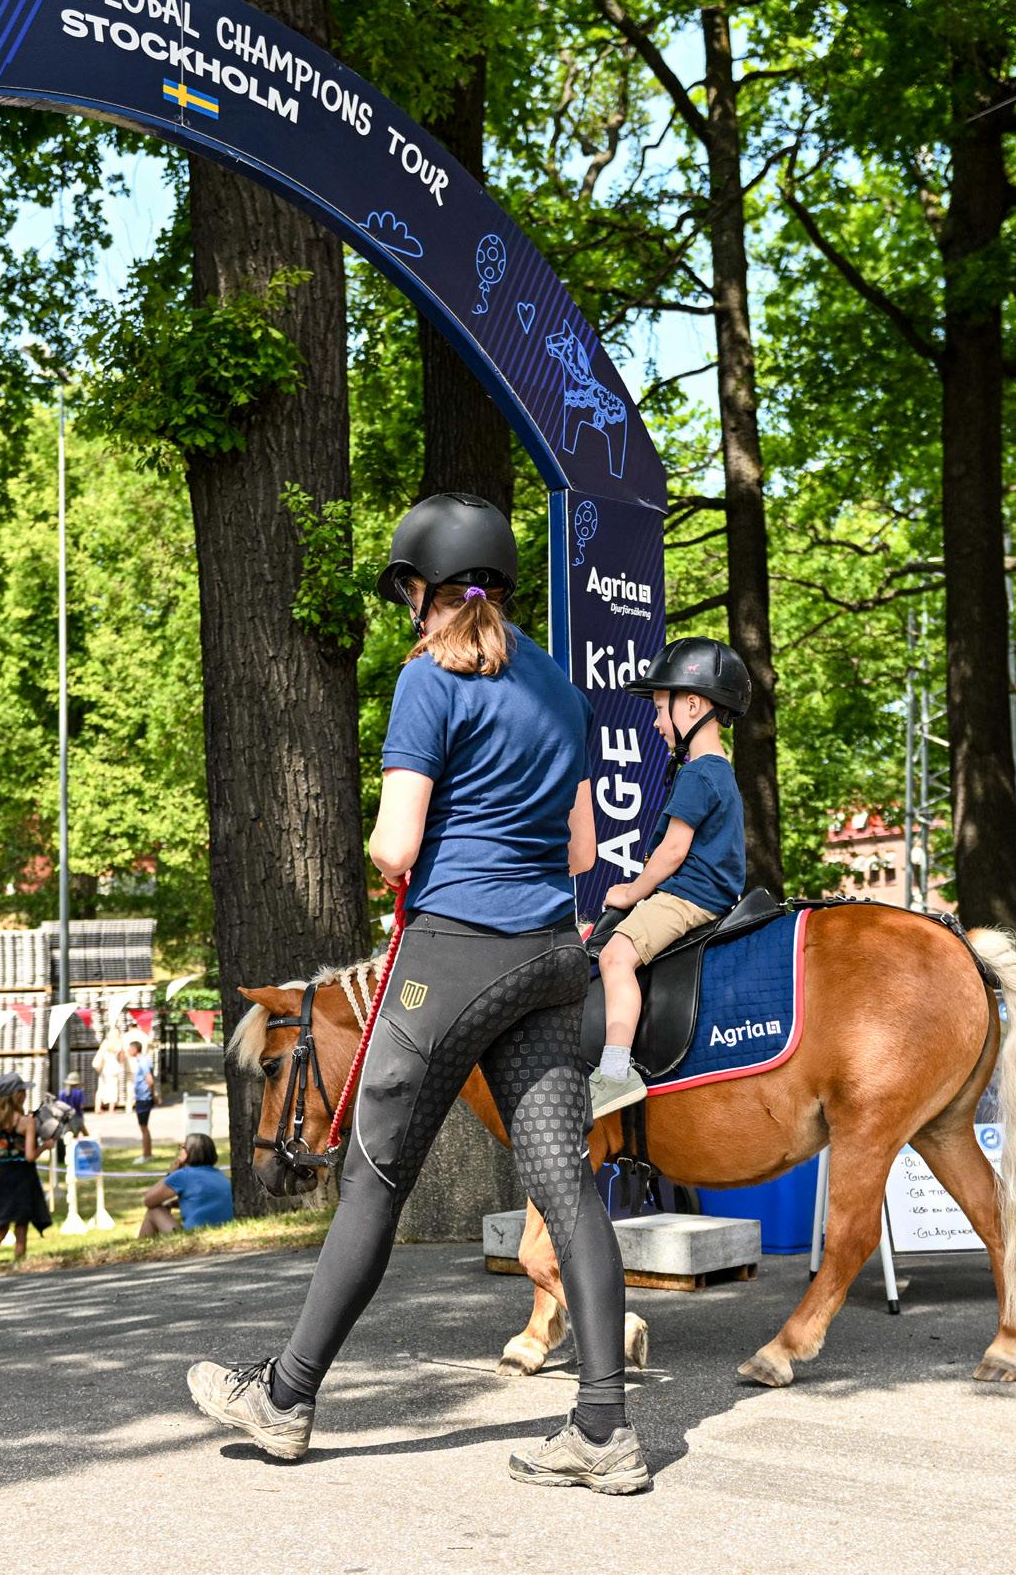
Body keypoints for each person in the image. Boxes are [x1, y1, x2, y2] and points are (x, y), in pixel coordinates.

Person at [187, 492, 641, 1493]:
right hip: (548, 957)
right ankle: (604, 1429)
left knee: (374, 1181)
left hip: (454, 956)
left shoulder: (428, 679)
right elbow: (582, 853)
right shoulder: (561, 689)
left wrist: (402, 850)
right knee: (566, 1186)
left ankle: (286, 1397)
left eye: (408, 590)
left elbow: (395, 846)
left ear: (423, 588)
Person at [591, 636, 751, 1119]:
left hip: (686, 897)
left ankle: (615, 1072)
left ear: (694, 706)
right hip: (707, 895)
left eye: (662, 709)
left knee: (616, 956)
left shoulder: (698, 773)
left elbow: (673, 850)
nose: (657, 722)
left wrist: (631, 891)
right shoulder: (720, 771)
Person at [0, 1073, 50, 1264]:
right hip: (23, 1175)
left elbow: (0, 1151)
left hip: (4, 1174)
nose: (25, 1094)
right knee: (21, 1223)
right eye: (23, 1091)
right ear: (17, 1094)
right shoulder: (26, 1122)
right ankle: (19, 1262)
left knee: (1, 1224)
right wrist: (45, 1146)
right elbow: (30, 1156)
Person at [139, 1133, 236, 1237]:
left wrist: (170, 1174)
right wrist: (172, 1204)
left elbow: (149, 1201)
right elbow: (203, 1199)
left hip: (194, 1236)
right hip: (222, 1233)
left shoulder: (183, 1175)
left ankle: (141, 1246)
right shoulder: (221, 1176)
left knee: (154, 1211)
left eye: (182, 1147)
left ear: (186, 1154)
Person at [128, 1034, 158, 1161]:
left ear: (135, 1049)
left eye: (130, 1048)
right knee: (144, 1127)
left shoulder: (143, 1061)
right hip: (142, 1097)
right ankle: (148, 1153)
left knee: (143, 1127)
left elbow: (149, 1079)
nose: (128, 1051)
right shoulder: (141, 1061)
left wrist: (153, 1095)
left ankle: (146, 1155)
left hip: (144, 1098)